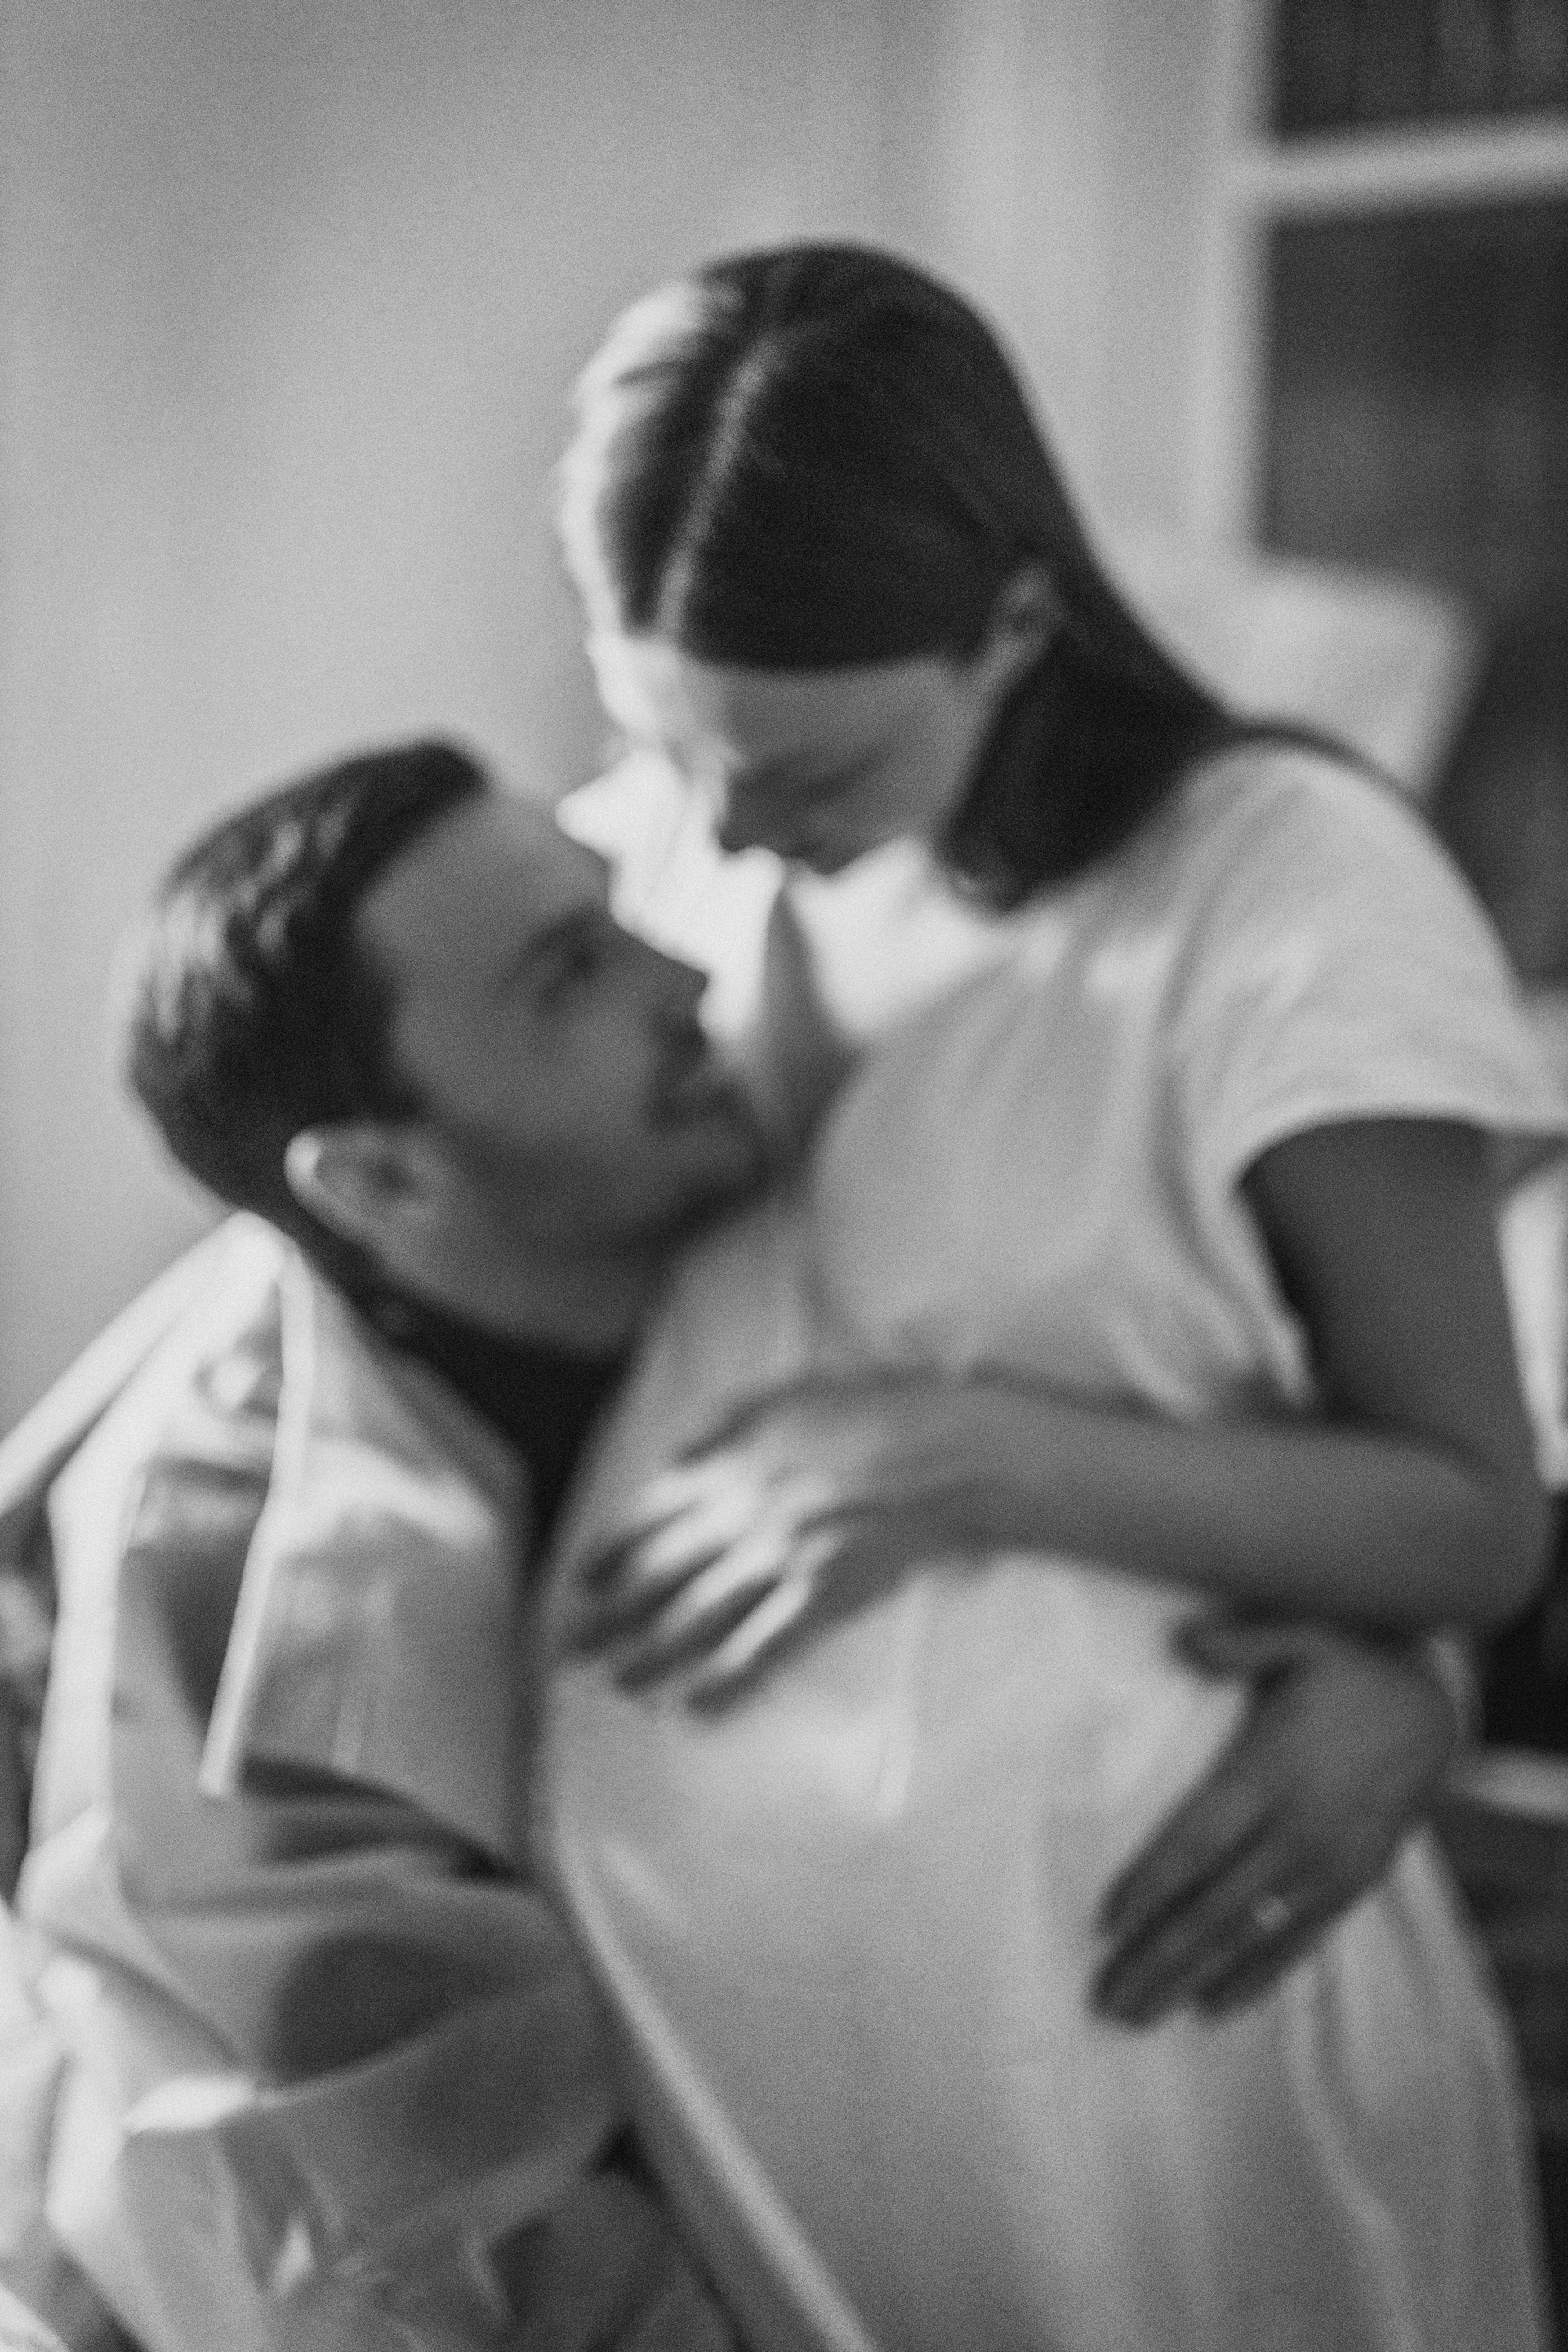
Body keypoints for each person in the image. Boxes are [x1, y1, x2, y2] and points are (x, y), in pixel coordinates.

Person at [0, 742, 1468, 2352]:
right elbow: (432, 2253)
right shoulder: (248, 1638)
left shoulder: (719, 1166)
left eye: (617, 913)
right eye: (569, 976)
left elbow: (1244, 1401)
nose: (692, 978)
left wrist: (1403, 1653)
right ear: (380, 1178)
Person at [537, 241, 1568, 2350]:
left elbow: (1475, 1512)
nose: (724, 829)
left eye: (810, 772)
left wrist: (968, 1458)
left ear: (1013, 623)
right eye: (663, 737)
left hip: (1142, 2105)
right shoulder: (671, 843)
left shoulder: (1281, 887)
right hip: (700, 2110)